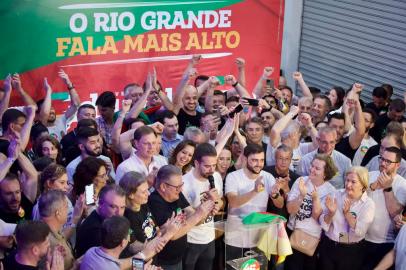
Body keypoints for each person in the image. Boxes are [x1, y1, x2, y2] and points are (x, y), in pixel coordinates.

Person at [148, 165, 215, 269]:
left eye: (181, 185)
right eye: (178, 187)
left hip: (179, 257)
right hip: (164, 262)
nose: (181, 189)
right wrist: (198, 214)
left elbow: (196, 219)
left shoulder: (176, 194)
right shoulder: (155, 202)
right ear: (163, 187)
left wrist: (206, 207)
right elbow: (173, 234)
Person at [225, 144, 283, 261]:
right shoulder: (233, 177)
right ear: (245, 159)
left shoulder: (268, 177)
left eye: (262, 160)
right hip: (235, 237)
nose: (259, 164)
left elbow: (280, 204)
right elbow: (233, 202)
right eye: (254, 160)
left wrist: (275, 195)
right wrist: (255, 191)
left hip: (259, 237)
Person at [284, 154, 337, 270]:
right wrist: (301, 196)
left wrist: (315, 198)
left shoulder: (331, 191)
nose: (312, 170)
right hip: (293, 233)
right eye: (312, 166)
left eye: (317, 168)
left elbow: (317, 216)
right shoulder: (301, 181)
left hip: (313, 238)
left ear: (325, 173)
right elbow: (290, 210)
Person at [318, 166, 375, 270]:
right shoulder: (336, 194)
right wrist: (330, 213)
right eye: (347, 180)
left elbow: (360, 232)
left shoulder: (368, 204)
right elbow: (322, 223)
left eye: (353, 182)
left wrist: (347, 214)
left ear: (363, 185)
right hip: (329, 246)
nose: (348, 185)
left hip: (351, 252)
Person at [363, 147, 406, 269]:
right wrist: (372, 187)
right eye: (382, 159)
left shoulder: (402, 185)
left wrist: (387, 188)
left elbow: (395, 214)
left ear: (397, 165)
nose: (383, 163)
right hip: (362, 239)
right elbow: (355, 201)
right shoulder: (369, 176)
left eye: (388, 161)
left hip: (385, 244)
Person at [182, 143, 223, 270]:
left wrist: (216, 203)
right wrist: (205, 206)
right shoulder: (184, 183)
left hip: (209, 238)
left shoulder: (216, 176)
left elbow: (220, 202)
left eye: (214, 165)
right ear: (196, 163)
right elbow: (186, 217)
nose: (211, 170)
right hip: (190, 240)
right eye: (207, 166)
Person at [80, 216, 163, 270]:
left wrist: (142, 258)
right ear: (123, 242)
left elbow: (119, 264)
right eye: (129, 234)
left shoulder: (91, 252)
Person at [75, 184, 127, 257]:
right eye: (113, 207)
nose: (119, 213)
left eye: (122, 207)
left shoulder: (111, 220)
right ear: (100, 203)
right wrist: (142, 256)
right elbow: (109, 264)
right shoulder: (94, 231)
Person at [39, 190, 75, 270]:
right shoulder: (47, 243)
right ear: (58, 213)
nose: (68, 210)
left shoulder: (51, 230)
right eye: (66, 207)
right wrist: (76, 266)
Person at [264, 144, 300, 219]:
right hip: (264, 215)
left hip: (284, 219)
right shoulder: (265, 172)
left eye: (287, 159)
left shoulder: (296, 179)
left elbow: (293, 207)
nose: (284, 162)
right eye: (280, 158)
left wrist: (286, 189)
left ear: (291, 160)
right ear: (275, 158)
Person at [45, 69, 81, 141]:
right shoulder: (37, 128)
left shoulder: (61, 120)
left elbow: (76, 104)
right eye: (47, 109)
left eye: (51, 108)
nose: (51, 111)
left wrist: (69, 84)